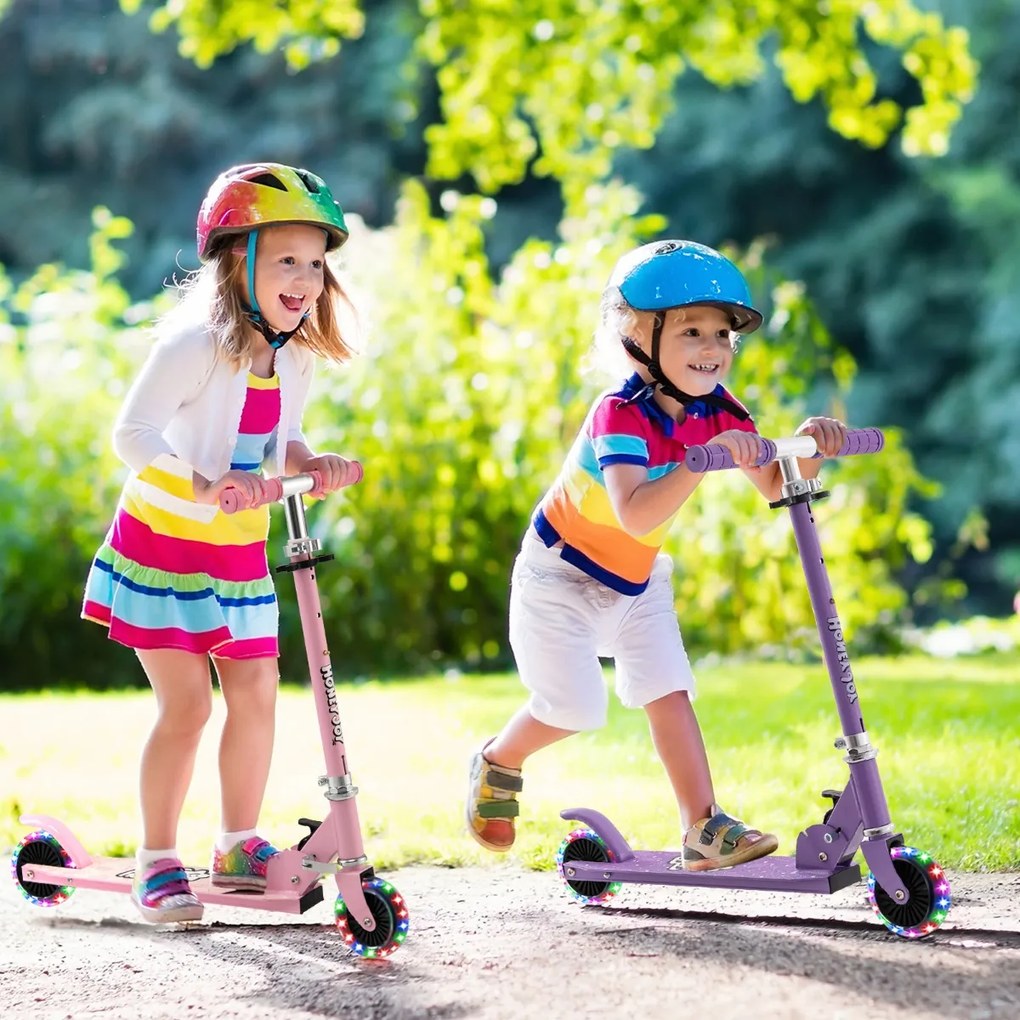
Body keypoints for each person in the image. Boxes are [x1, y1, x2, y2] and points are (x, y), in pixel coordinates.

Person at [466, 239, 848, 870]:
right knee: (574, 708)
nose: (712, 349)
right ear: (637, 339)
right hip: (559, 574)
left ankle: (702, 826)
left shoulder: (721, 412)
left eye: (723, 335)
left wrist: (812, 445)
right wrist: (707, 459)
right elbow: (636, 509)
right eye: (691, 331)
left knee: (669, 687)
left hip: (637, 580)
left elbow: (781, 485)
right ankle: (499, 759)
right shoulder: (618, 414)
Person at [82, 162, 361, 923]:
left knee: (258, 696)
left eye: (314, 262)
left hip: (238, 551)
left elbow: (283, 440)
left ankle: (237, 842)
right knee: (187, 706)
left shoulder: (294, 354)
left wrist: (311, 466)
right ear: (239, 260)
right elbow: (130, 434)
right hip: (164, 544)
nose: (304, 278)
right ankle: (157, 860)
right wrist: (199, 484)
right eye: (286, 260)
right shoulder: (193, 345)